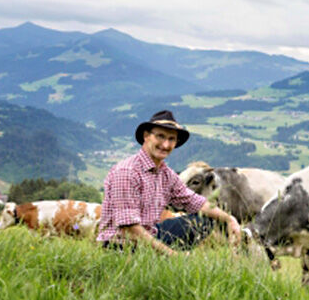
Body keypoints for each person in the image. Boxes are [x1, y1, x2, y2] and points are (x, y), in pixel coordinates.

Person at [96, 110, 242, 256]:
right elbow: (130, 228)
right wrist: (172, 255)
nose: (166, 145)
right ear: (146, 136)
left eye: (171, 139)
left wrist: (229, 219)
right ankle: (157, 258)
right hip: (121, 245)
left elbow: (194, 201)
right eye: (160, 136)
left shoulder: (166, 174)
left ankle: (157, 256)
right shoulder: (127, 172)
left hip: (150, 234)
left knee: (204, 221)